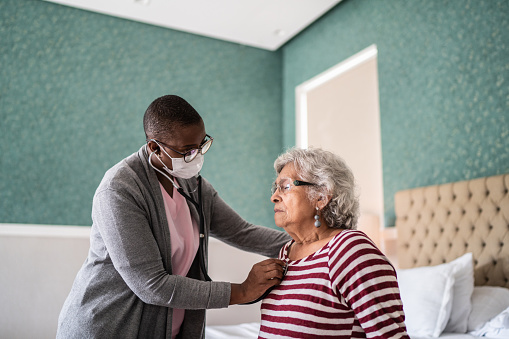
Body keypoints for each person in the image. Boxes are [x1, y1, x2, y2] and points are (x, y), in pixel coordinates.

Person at [57, 95, 288, 339]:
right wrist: (242, 291)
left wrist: (311, 243)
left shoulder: (193, 185)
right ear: (154, 147)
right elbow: (152, 286)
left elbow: (240, 231)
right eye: (187, 150)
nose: (197, 156)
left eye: (201, 145)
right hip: (109, 327)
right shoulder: (119, 190)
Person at [258, 147, 409, 338]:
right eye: (275, 188)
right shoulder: (286, 253)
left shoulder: (350, 250)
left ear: (321, 197)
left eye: (286, 186)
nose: (274, 197)